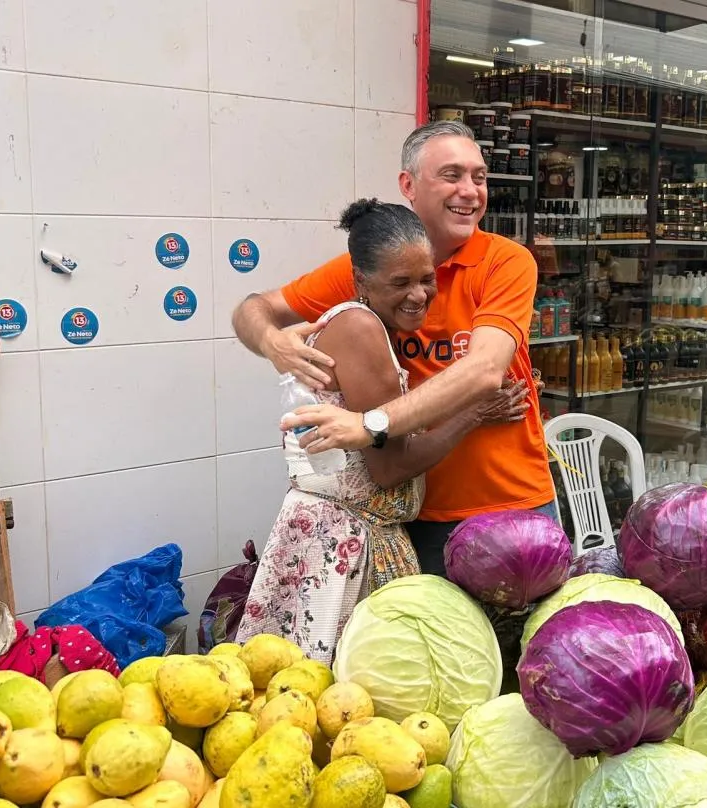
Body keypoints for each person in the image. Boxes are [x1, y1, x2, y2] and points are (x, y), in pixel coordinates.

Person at [232, 120, 557, 576]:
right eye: (452, 175)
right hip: (417, 517)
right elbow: (253, 308)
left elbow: (485, 369)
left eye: (479, 177)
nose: (470, 191)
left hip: (512, 503)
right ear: (409, 184)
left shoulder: (505, 261)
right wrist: (273, 343)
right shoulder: (365, 267)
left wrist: (370, 424)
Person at [235, 199, 527, 661]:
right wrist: (474, 413)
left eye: (426, 278)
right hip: (350, 548)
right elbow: (391, 469)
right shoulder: (361, 330)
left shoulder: (357, 321)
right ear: (360, 282)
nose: (419, 295)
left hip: (328, 536)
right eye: (400, 283)